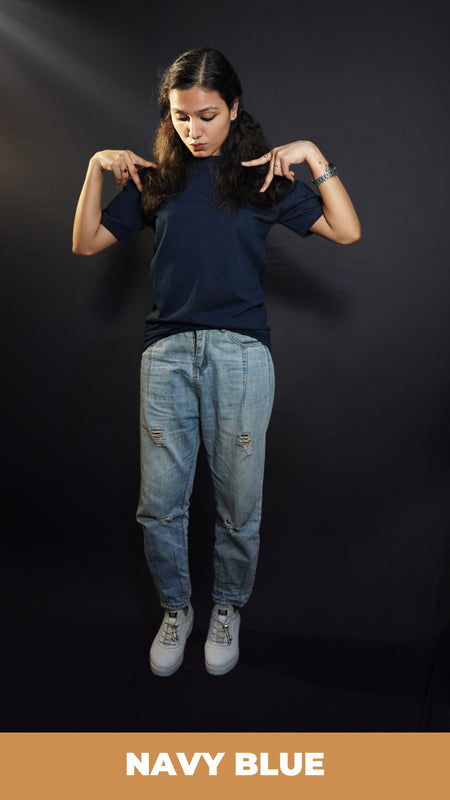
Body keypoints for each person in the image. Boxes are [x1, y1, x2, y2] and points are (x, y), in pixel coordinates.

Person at [73, 47, 360, 678]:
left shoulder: (263, 179)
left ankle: (226, 608)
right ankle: (177, 610)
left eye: (206, 115)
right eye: (180, 117)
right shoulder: (155, 179)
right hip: (167, 354)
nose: (192, 129)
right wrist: (96, 168)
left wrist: (313, 155)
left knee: (238, 502)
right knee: (160, 504)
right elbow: (86, 240)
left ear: (233, 108)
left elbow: (347, 230)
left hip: (240, 355)